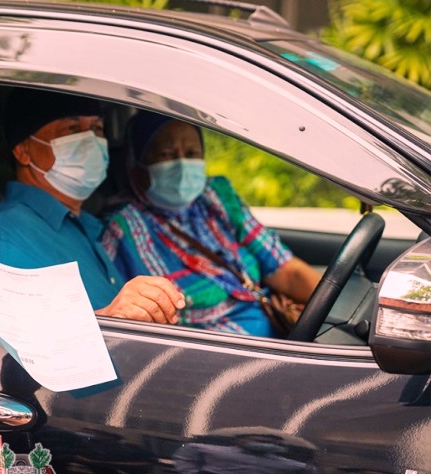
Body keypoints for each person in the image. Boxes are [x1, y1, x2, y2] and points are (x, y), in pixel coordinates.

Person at [0, 88, 185, 324]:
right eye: (72, 129)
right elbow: (15, 342)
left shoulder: (83, 226)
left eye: (97, 128)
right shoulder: (3, 238)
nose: (90, 140)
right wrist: (112, 317)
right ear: (23, 151)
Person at [102, 111, 321, 336]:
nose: (181, 164)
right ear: (137, 165)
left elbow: (287, 271)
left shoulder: (216, 198)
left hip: (274, 328)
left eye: (191, 153)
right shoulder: (123, 229)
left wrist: (329, 307)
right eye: (166, 154)